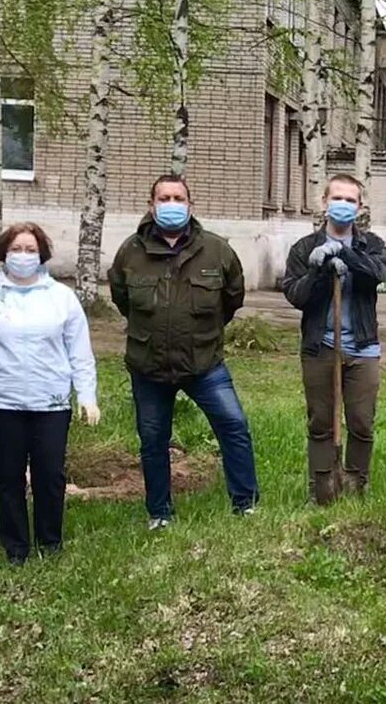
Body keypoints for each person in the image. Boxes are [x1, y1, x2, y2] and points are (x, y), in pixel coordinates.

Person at [109, 174, 258, 526]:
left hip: (204, 362)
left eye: (178, 198)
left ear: (191, 206)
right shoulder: (131, 252)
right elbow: (122, 298)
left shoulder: (217, 250)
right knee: (152, 440)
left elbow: (232, 298)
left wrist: (201, 331)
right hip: (149, 365)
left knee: (234, 426)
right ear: (151, 205)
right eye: (164, 198)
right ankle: (159, 513)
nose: (171, 205)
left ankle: (245, 504)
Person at [0, 222, 99, 564]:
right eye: (16, 249)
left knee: (50, 474)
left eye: (30, 250)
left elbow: (79, 351)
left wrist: (86, 395)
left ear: (42, 254)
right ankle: (15, 546)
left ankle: (50, 542)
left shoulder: (61, 298)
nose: (23, 256)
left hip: (51, 403)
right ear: (3, 253)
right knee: (8, 476)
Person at [282, 174, 386, 503]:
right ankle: (323, 489)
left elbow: (381, 273)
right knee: (320, 422)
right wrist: (318, 270)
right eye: (337, 198)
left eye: (350, 200)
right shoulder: (303, 248)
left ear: (359, 207)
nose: (343, 205)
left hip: (362, 347)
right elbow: (295, 296)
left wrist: (347, 257)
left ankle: (356, 486)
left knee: (361, 421)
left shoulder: (371, 244)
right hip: (320, 347)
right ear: (324, 203)